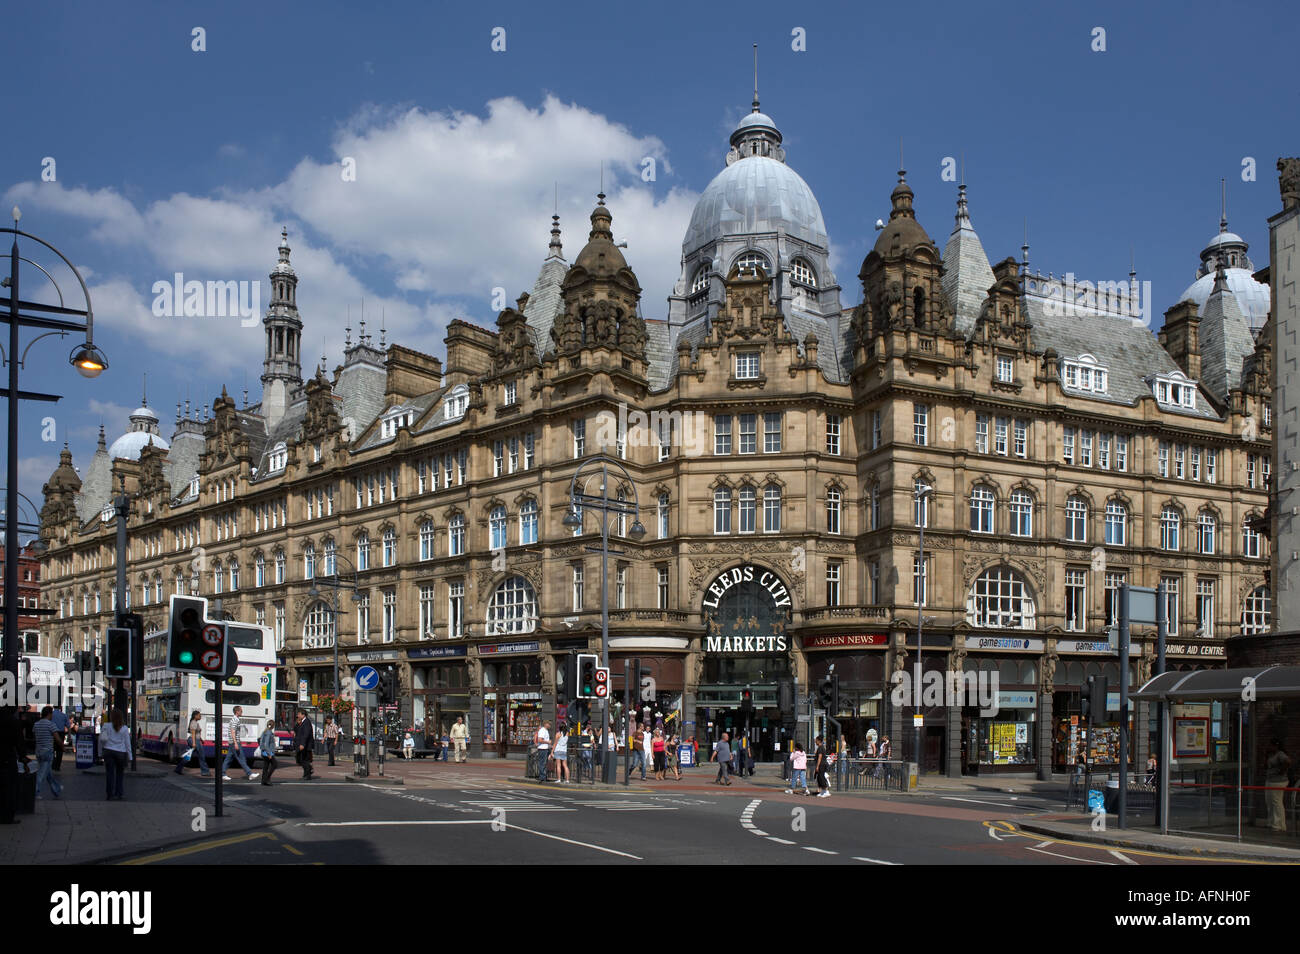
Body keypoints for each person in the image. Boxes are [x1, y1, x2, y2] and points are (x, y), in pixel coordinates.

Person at [221, 706, 260, 782]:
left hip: (233, 742)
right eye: (241, 711)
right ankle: (249, 774)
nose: (242, 712)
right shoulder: (235, 720)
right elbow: (233, 731)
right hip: (234, 742)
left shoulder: (235, 719)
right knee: (241, 758)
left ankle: (222, 774)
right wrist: (236, 743)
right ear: (237, 711)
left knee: (228, 759)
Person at [32, 706, 62, 800]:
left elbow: (34, 735)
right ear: (49, 714)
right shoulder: (51, 725)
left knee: (48, 774)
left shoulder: (36, 724)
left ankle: (56, 789)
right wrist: (62, 746)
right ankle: (35, 792)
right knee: (41, 774)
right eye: (52, 713)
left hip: (38, 751)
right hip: (47, 752)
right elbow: (57, 738)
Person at [102, 709, 131, 801]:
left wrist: (100, 753)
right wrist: (130, 756)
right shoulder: (124, 728)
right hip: (120, 753)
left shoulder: (106, 726)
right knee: (120, 774)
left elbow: (101, 740)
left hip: (108, 751)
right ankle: (119, 793)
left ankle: (110, 794)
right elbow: (127, 743)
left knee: (110, 774)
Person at [0, 708, 22, 824]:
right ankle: (7, 816)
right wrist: (23, 756)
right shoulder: (13, 721)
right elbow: (18, 741)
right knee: (9, 789)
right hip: (8, 757)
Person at [1265, 738, 1291, 833]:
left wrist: (1281, 771)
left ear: (1276, 746)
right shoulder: (1271, 754)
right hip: (1270, 780)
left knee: (1276, 802)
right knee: (1269, 801)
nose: (1269, 747)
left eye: (1271, 745)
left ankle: (1278, 824)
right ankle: (1271, 822)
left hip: (1278, 781)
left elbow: (1287, 762)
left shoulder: (1280, 754)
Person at [176, 709, 210, 776]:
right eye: (199, 715)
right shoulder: (194, 722)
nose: (200, 717)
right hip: (194, 740)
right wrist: (194, 743)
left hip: (194, 740)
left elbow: (196, 733)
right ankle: (205, 771)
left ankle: (178, 769)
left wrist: (201, 740)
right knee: (201, 756)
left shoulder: (195, 722)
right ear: (195, 716)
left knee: (188, 756)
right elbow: (193, 733)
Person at [295, 711, 315, 779]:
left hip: (306, 745)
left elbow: (305, 734)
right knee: (301, 759)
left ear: (303, 715)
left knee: (304, 760)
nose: (298, 715)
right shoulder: (303, 722)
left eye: (299, 714)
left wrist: (302, 744)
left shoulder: (306, 722)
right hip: (303, 744)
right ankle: (306, 773)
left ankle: (308, 773)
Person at [258, 720, 279, 786]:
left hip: (264, 752)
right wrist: (269, 753)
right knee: (274, 764)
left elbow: (261, 741)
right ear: (273, 726)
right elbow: (266, 744)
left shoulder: (264, 732)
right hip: (268, 752)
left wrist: (262, 749)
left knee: (266, 766)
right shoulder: (269, 733)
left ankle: (263, 780)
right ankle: (267, 778)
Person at [49, 705, 68, 772]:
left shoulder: (51, 714)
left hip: (52, 733)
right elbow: (68, 726)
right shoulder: (64, 715)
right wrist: (70, 736)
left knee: (51, 749)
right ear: (60, 707)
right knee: (60, 750)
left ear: (53, 707)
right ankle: (57, 766)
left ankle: (53, 763)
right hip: (61, 734)